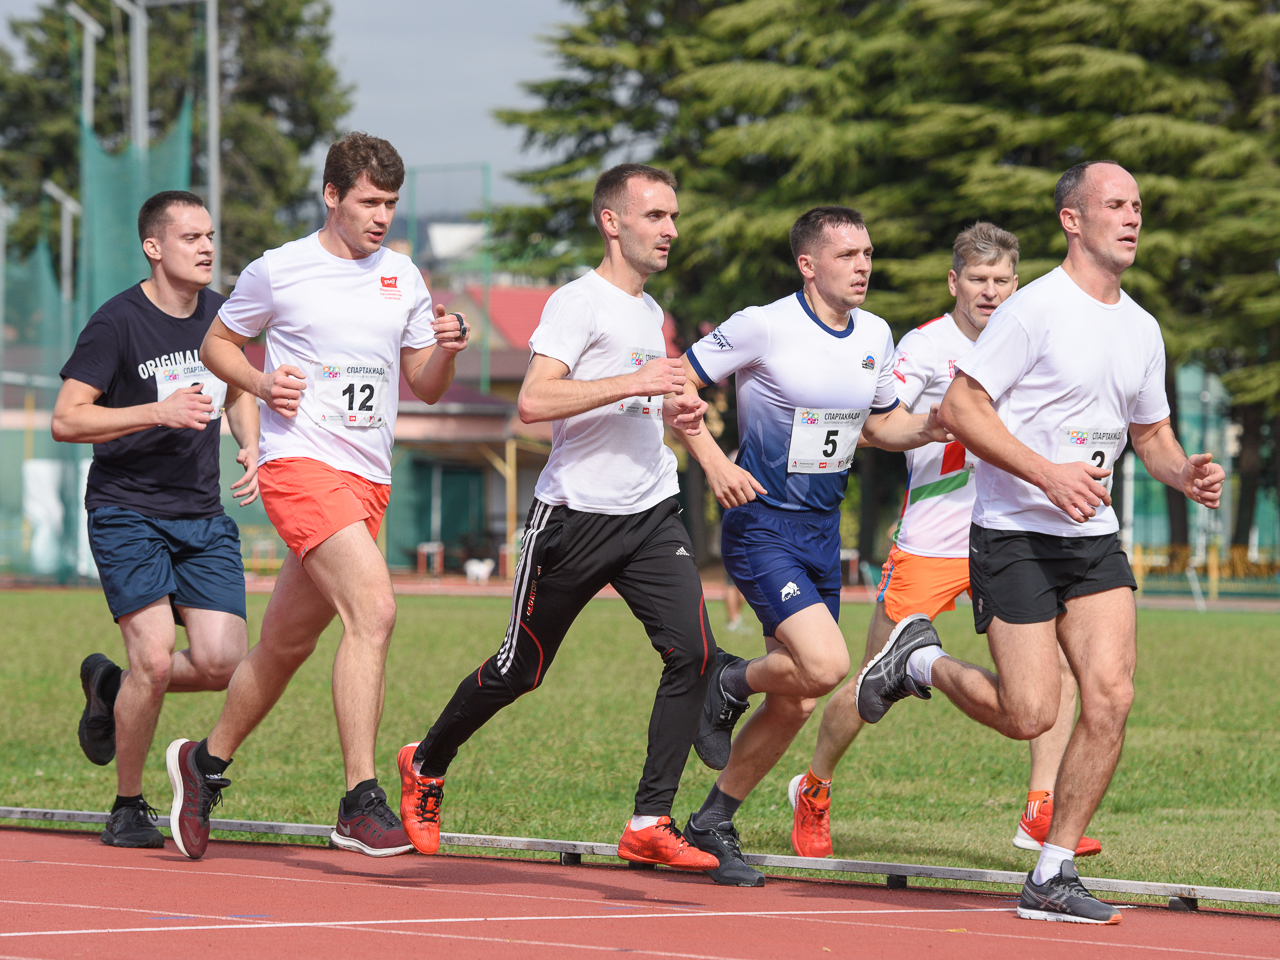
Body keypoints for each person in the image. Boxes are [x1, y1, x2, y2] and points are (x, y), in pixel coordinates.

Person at [856, 161, 1224, 923]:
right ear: (1072, 219)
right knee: (1030, 713)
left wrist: (1184, 471)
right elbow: (963, 408)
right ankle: (917, 660)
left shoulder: (1142, 326)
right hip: (1014, 532)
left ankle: (1053, 871)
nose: (1132, 216)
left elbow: (1151, 434)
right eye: (1115, 204)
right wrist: (1046, 474)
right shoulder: (1032, 311)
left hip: (1092, 537)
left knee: (1112, 696)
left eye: (1137, 205)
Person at [396, 163, 719, 873]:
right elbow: (535, 402)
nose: (671, 229)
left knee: (693, 655)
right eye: (656, 215)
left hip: (650, 512)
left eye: (673, 216)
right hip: (573, 519)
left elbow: (638, 401)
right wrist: (637, 381)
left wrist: (674, 408)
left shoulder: (650, 312)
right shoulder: (577, 303)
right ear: (612, 222)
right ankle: (426, 762)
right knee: (521, 669)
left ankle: (650, 820)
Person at [165, 132, 467, 860]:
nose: (381, 216)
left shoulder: (403, 275)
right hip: (299, 464)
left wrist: (449, 350)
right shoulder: (281, 269)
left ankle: (203, 763)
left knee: (285, 645)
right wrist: (262, 383)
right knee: (375, 610)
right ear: (332, 196)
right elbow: (216, 345)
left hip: (368, 478)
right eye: (368, 201)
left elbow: (425, 384)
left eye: (391, 203)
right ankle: (359, 800)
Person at [787, 223, 1100, 862]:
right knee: (872, 681)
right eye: (978, 280)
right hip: (935, 539)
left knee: (1060, 669)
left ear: (1017, 284)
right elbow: (876, 425)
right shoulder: (926, 346)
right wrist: (936, 424)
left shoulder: (1032, 339)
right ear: (955, 282)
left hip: (1013, 531)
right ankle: (813, 786)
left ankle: (1040, 808)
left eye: (1002, 280)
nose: (991, 292)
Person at [675, 206, 950, 885]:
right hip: (761, 523)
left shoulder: (876, 334)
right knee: (825, 665)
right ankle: (728, 679)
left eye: (868, 253)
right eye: (847, 254)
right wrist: (713, 461)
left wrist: (935, 426)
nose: (863, 266)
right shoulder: (763, 325)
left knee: (796, 697)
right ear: (808, 264)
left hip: (822, 532)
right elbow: (675, 380)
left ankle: (712, 821)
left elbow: (880, 426)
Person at [53, 190, 259, 849]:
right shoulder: (116, 323)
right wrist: (155, 412)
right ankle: (127, 804)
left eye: (210, 236)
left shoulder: (222, 316)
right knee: (156, 661)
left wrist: (251, 442)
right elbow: (66, 419)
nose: (207, 248)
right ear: (154, 246)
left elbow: (238, 388)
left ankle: (111, 687)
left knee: (225, 663)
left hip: (201, 514)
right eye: (191, 237)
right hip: (128, 511)